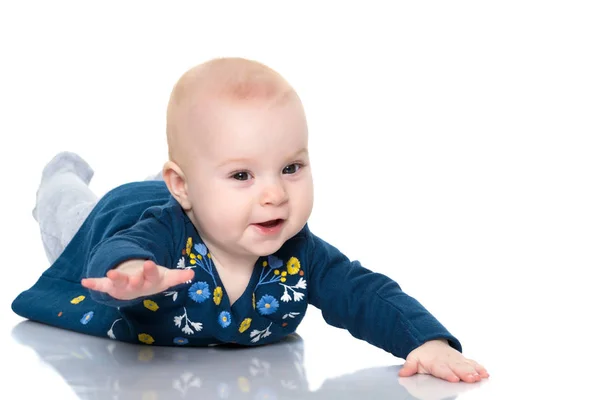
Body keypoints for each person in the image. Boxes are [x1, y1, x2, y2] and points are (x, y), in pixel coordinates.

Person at [12, 57, 489, 383]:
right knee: (68, 212)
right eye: (244, 174)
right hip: (117, 217)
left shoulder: (299, 250)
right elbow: (119, 250)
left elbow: (365, 292)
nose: (275, 194)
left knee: (212, 181)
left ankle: (212, 174)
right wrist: (131, 272)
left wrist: (425, 340)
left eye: (291, 168)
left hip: (194, 193)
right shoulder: (164, 234)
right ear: (182, 188)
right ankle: (60, 175)